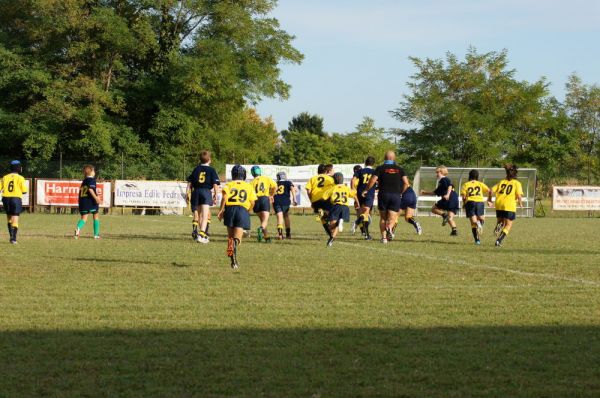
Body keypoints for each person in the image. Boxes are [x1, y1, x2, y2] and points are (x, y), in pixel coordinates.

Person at [217, 165, 257, 269]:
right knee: (237, 239)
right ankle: (235, 247)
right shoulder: (249, 186)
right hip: (242, 210)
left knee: (230, 238)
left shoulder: (229, 184)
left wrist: (221, 210)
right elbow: (252, 202)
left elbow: (224, 197)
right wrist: (248, 210)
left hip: (229, 210)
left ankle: (233, 262)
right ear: (244, 175)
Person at [363, 151, 408, 243]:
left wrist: (366, 189)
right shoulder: (400, 169)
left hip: (383, 194)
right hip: (395, 195)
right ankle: (390, 228)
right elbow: (406, 183)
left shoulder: (380, 168)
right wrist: (400, 192)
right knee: (392, 218)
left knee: (383, 218)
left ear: (385, 158)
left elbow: (373, 180)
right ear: (394, 158)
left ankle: (384, 238)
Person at [186, 150, 220, 243]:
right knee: (205, 215)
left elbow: (189, 182)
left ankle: (202, 235)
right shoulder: (211, 170)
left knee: (199, 215)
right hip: (205, 192)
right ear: (209, 159)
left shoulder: (196, 169)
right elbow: (215, 184)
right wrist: (216, 194)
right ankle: (201, 234)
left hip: (196, 192)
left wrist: (187, 193)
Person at [489, 164, 524, 247]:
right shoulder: (517, 183)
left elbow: (490, 191)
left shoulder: (501, 182)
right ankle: (499, 241)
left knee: (501, 221)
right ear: (515, 174)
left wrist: (489, 200)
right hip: (509, 205)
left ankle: (499, 225)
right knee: (508, 225)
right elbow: (519, 195)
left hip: (499, 204)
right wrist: (520, 203)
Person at [420, 166, 459, 236]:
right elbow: (435, 192)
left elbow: (450, 186)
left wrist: (447, 194)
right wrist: (425, 193)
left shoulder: (443, 179)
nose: (436, 174)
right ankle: (454, 231)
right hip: (454, 199)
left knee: (434, 209)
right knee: (450, 217)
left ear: (441, 172)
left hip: (449, 197)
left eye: (437, 172)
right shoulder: (442, 183)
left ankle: (444, 215)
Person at [322, 172, 357, 247]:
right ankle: (331, 239)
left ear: (334, 180)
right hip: (345, 207)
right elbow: (353, 194)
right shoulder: (346, 188)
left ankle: (338, 224)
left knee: (332, 225)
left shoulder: (332, 188)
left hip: (336, 206)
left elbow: (324, 198)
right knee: (336, 225)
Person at [0, 160, 28, 244]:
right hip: (15, 198)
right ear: (18, 168)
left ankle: (11, 237)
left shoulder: (5, 177)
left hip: (5, 198)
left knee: (9, 218)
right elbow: (24, 191)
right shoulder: (20, 178)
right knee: (15, 217)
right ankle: (13, 239)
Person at [460, 169, 491, 245]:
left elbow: (463, 196)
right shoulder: (480, 184)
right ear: (477, 176)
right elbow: (489, 191)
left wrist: (464, 204)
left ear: (469, 176)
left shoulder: (466, 184)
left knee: (473, 223)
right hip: (479, 202)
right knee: (482, 219)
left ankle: (477, 240)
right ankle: (479, 223)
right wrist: (489, 200)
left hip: (470, 202)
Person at [305, 164, 335, 237]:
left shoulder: (312, 178)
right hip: (326, 199)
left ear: (317, 171)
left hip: (316, 200)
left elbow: (308, 191)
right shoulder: (330, 178)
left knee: (322, 218)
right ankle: (332, 231)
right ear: (325, 171)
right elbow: (334, 189)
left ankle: (329, 232)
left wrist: (311, 200)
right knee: (330, 215)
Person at [352, 156, 377, 240]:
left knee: (362, 213)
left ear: (365, 163)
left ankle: (366, 234)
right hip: (369, 193)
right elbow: (377, 182)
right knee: (366, 213)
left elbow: (353, 180)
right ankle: (357, 222)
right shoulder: (375, 172)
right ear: (373, 164)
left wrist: (352, 189)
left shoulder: (360, 170)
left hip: (359, 193)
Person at [250, 166, 277, 242]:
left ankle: (266, 237)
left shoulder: (251, 182)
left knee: (262, 220)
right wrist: (271, 195)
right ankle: (260, 229)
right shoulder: (266, 178)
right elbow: (275, 187)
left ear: (252, 173)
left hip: (256, 200)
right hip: (264, 199)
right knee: (265, 220)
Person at [74, 165, 101, 239]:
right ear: (92, 172)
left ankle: (78, 228)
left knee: (84, 218)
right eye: (94, 171)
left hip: (83, 202)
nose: (95, 172)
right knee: (96, 216)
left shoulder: (84, 181)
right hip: (90, 201)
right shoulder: (92, 180)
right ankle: (96, 235)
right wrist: (96, 198)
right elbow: (90, 189)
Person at [273, 171, 297, 240]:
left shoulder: (276, 183)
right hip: (285, 201)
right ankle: (288, 234)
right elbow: (292, 189)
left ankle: (280, 234)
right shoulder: (288, 182)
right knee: (286, 216)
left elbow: (273, 191)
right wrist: (294, 199)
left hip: (277, 201)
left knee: (279, 217)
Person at [350, 165, 363, 235]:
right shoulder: (356, 179)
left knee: (362, 216)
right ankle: (363, 231)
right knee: (361, 215)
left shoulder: (354, 179)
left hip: (358, 198)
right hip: (360, 198)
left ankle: (361, 229)